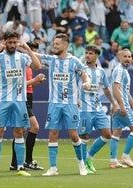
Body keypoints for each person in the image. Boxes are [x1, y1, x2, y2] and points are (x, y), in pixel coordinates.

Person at [0, 31, 41, 176]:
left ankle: (20, 167)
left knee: (19, 132)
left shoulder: (22, 57)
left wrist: (27, 48)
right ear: (4, 42)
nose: (12, 45)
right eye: (10, 42)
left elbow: (37, 65)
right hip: (2, 100)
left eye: (15, 42)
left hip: (20, 100)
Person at [35, 33, 91, 176]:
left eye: (57, 44)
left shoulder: (74, 62)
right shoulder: (52, 60)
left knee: (73, 135)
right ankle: (53, 168)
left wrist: (87, 82)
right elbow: (38, 56)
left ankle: (81, 164)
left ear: (65, 45)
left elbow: (85, 75)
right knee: (53, 133)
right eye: (54, 44)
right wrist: (23, 48)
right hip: (54, 103)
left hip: (70, 104)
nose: (54, 46)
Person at [78, 45, 117, 174]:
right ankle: (83, 165)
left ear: (97, 56)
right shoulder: (80, 69)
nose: (87, 55)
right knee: (84, 136)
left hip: (98, 108)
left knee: (107, 135)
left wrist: (113, 103)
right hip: (84, 109)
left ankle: (89, 157)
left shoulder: (101, 72)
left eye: (90, 53)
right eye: (86, 53)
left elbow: (106, 89)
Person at [10, 41, 46, 171]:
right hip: (21, 98)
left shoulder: (29, 65)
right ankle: (26, 161)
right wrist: (35, 80)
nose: (33, 54)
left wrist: (36, 82)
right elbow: (19, 84)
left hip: (28, 96)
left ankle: (16, 162)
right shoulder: (21, 64)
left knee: (22, 130)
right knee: (34, 127)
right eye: (31, 51)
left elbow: (28, 84)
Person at [109, 48, 133, 168]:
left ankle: (113, 161)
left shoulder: (124, 71)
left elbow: (125, 91)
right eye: (125, 56)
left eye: (129, 57)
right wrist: (122, 106)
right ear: (119, 57)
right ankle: (125, 156)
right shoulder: (119, 70)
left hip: (118, 106)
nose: (127, 59)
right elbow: (116, 88)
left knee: (117, 132)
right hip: (122, 107)